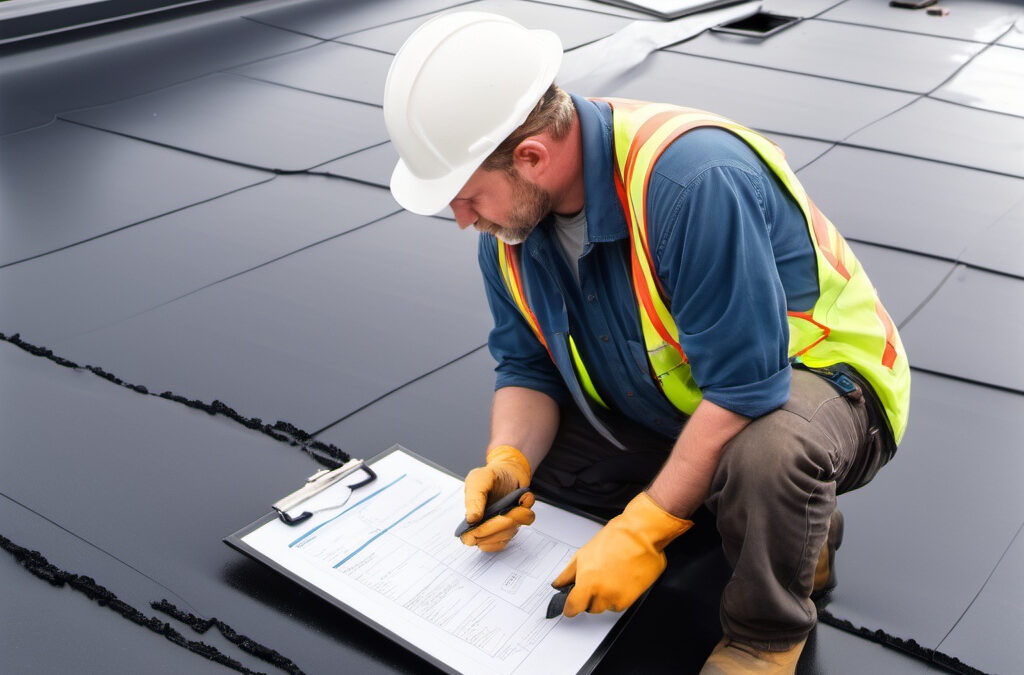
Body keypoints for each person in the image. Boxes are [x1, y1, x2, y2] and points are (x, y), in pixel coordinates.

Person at [383, 11, 910, 674]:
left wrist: (643, 528)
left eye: (465, 197)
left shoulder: (690, 183)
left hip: (824, 379)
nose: (463, 220)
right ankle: (774, 523)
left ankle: (766, 632)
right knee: (550, 470)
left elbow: (748, 386)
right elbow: (527, 369)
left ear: (532, 157)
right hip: (690, 390)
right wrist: (509, 459)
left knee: (768, 457)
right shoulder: (512, 233)